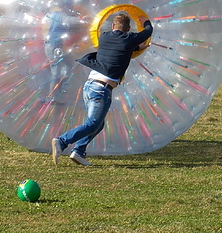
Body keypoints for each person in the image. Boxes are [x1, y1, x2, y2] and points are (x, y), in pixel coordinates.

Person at [52, 13, 153, 166]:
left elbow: (118, 49)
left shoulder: (104, 37)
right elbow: (148, 31)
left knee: (98, 125)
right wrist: (145, 21)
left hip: (90, 86)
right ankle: (62, 141)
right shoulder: (129, 39)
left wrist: (136, 46)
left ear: (113, 26)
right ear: (128, 29)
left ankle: (78, 151)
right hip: (101, 90)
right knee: (93, 123)